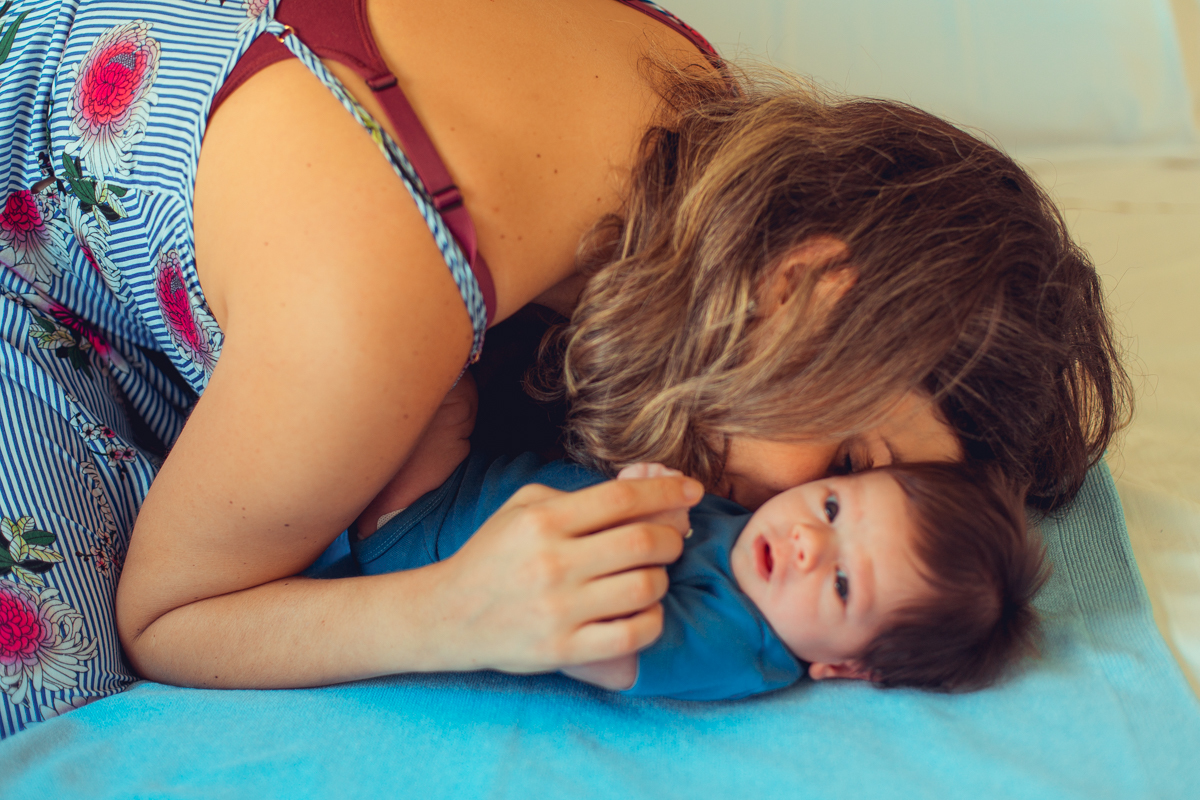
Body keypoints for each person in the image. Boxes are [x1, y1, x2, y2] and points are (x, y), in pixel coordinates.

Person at [0, 0, 1128, 736]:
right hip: (39, 270)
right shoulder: (382, 297)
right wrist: (452, 613)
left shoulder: (690, 106)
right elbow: (172, 615)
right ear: (809, 286)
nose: (796, 507)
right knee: (52, 705)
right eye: (847, 457)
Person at [353, 383, 1044, 700]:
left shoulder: (741, 640)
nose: (807, 540)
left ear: (844, 667)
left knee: (413, 393)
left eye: (841, 584)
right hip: (480, 479)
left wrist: (646, 535)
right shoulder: (755, 539)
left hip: (423, 535)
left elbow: (606, 652)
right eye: (834, 503)